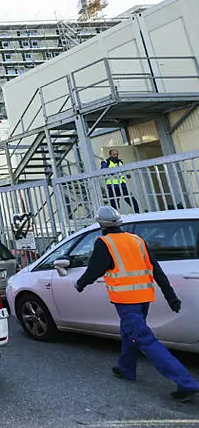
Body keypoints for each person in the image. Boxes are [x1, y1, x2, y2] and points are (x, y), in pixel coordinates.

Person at [75, 206, 198, 402]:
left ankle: (186, 383)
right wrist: (171, 297)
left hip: (126, 301)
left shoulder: (104, 243)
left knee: (145, 340)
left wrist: (80, 284)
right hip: (144, 299)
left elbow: (94, 270)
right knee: (128, 332)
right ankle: (126, 369)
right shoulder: (137, 240)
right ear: (120, 222)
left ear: (101, 224)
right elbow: (156, 270)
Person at [101, 149, 140, 214]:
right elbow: (103, 171)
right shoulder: (106, 162)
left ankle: (137, 212)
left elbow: (123, 171)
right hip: (112, 185)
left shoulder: (120, 162)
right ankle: (115, 215)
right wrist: (113, 172)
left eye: (117, 154)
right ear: (110, 155)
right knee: (114, 202)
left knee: (129, 198)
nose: (116, 156)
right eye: (114, 154)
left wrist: (127, 174)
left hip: (122, 184)